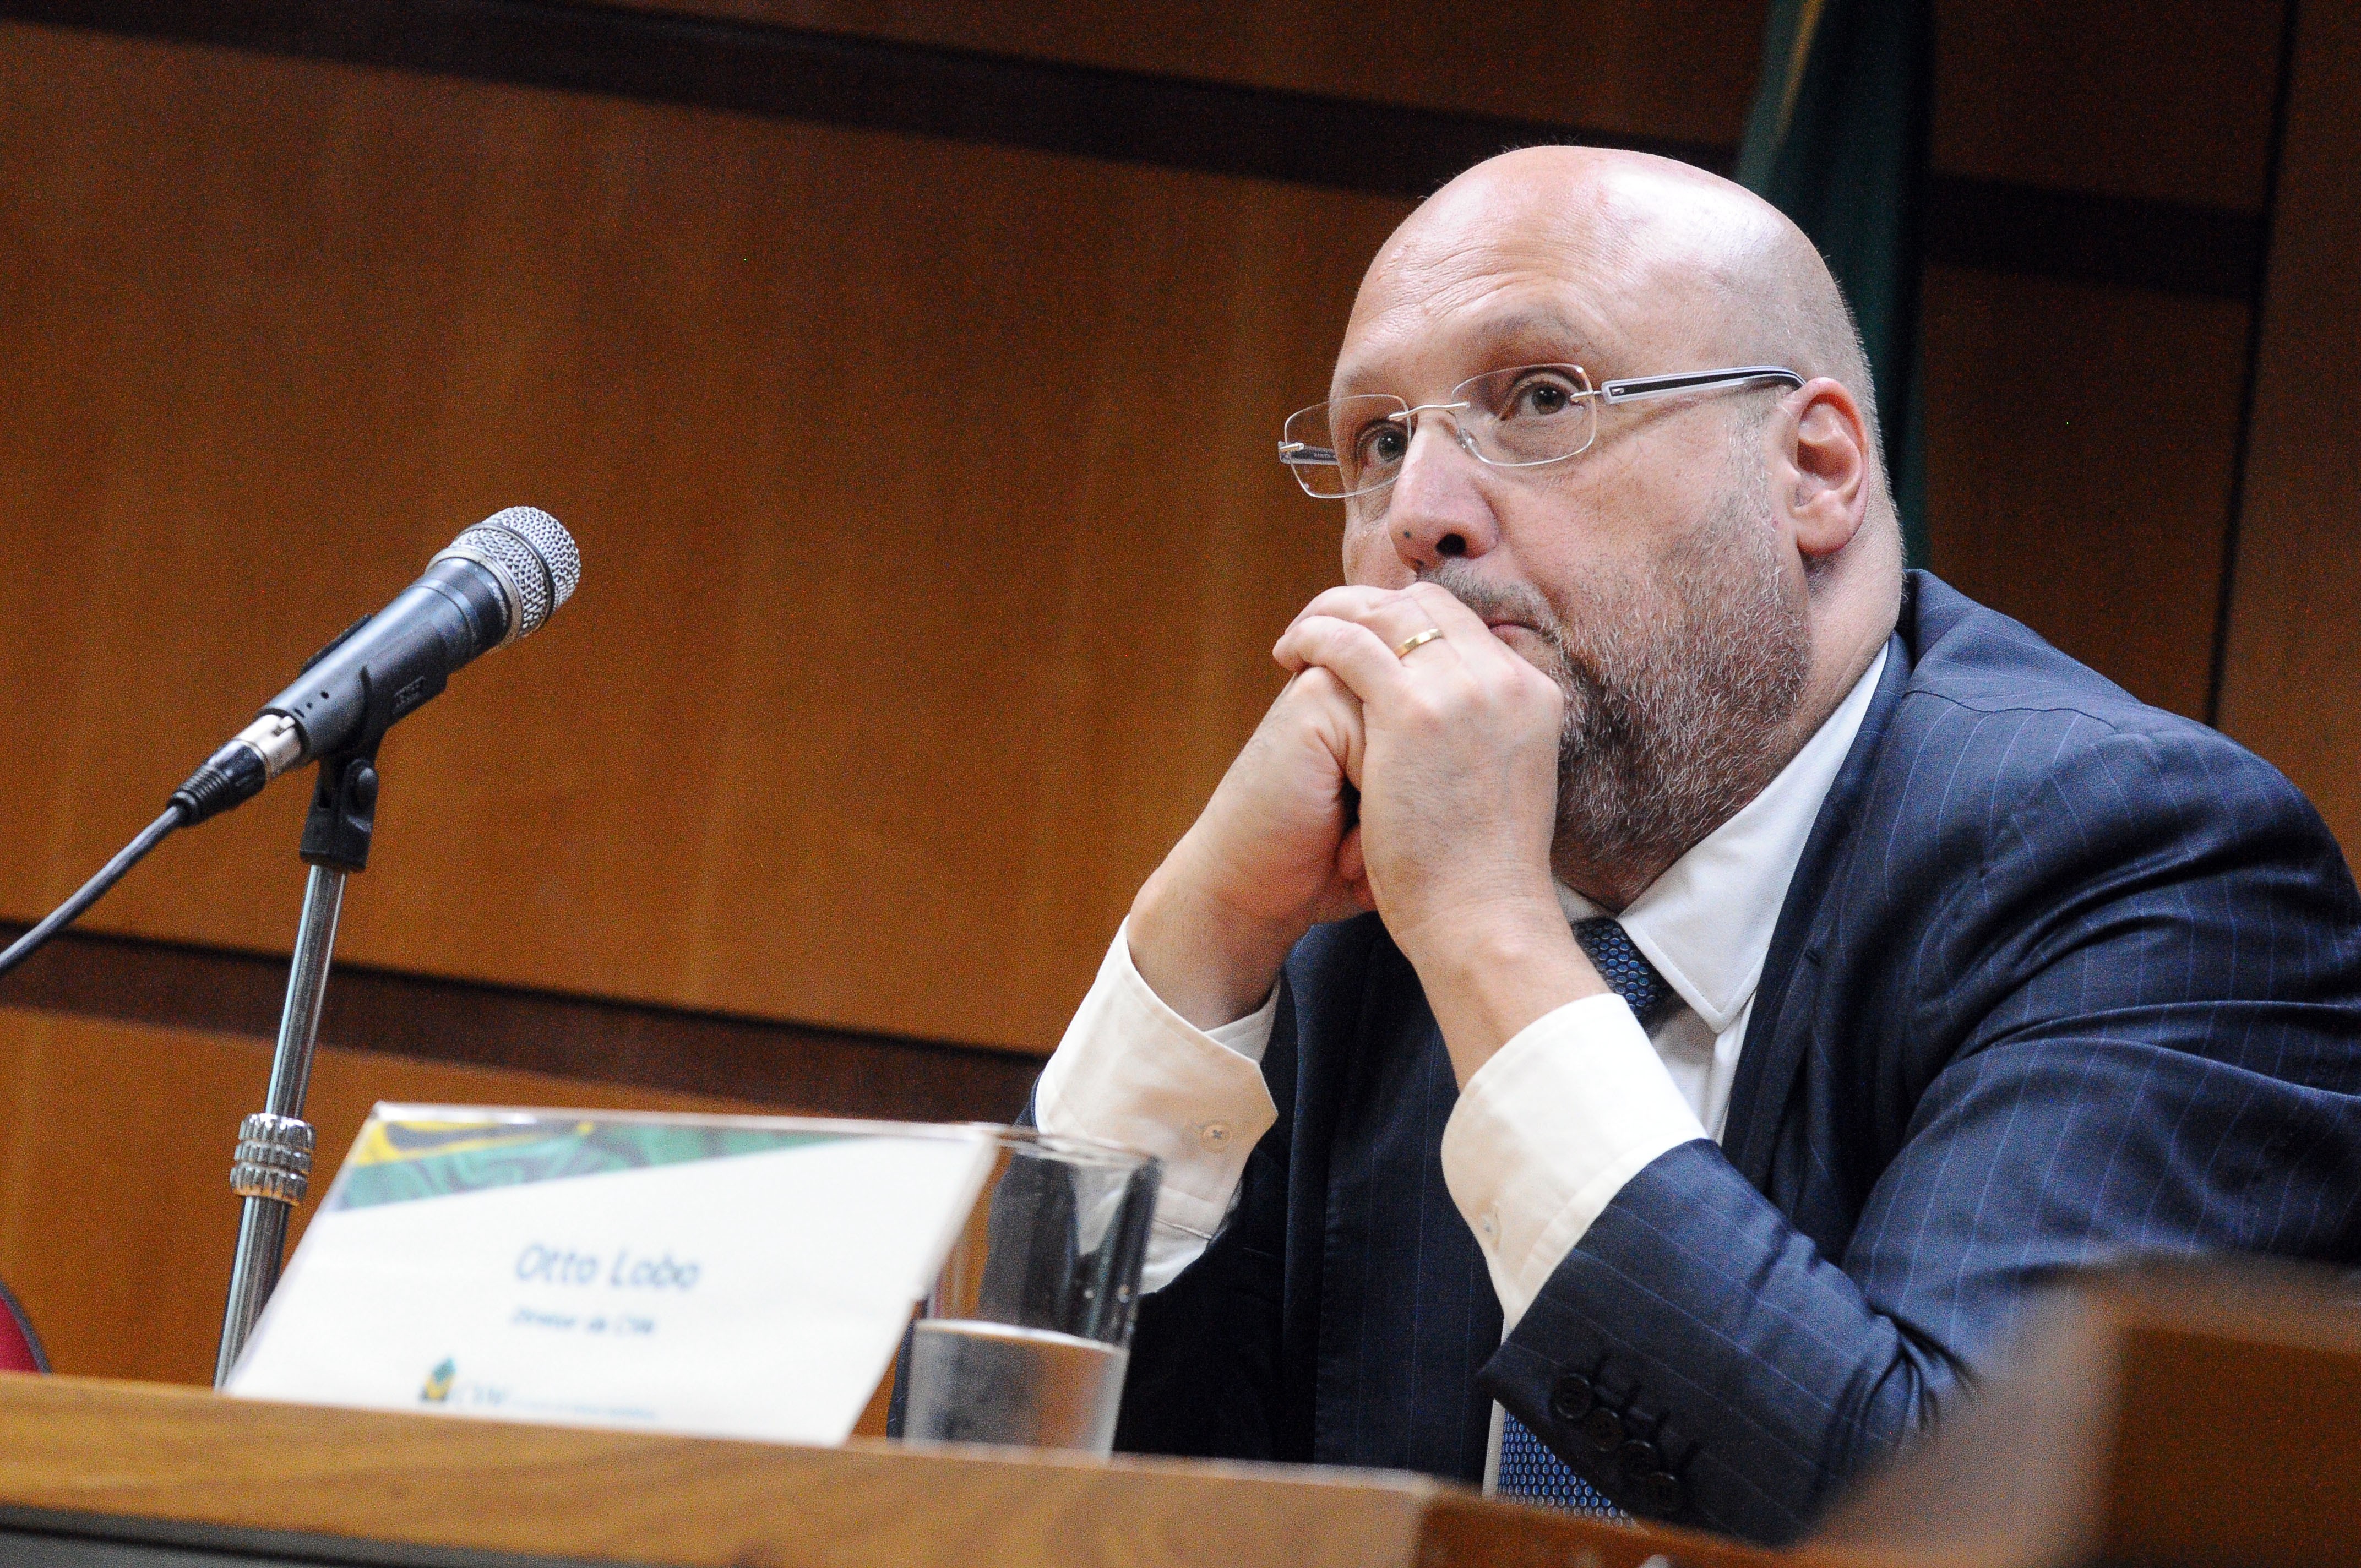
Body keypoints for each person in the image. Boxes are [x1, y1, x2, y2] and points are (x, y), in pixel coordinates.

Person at [1030, 146, 2361, 1544]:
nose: (1419, 514)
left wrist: (1494, 947)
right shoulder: (1355, 917)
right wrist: (1198, 938)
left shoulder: (2141, 865)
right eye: (1375, 442)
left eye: (1540, 399)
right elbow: (1024, 1502)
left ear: (1811, 471)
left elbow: (1938, 1531)